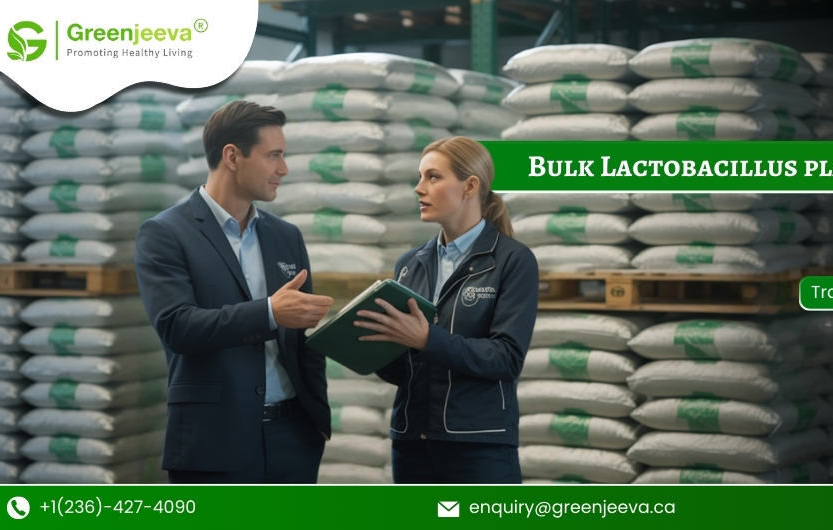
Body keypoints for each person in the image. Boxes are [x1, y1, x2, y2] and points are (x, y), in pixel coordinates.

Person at [134, 100, 334, 483]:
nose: (284, 168)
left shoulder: (286, 236)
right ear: (232, 156)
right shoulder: (165, 233)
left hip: (293, 439)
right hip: (213, 443)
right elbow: (177, 327)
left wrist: (317, 419)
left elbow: (303, 340)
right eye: (273, 155)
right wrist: (270, 312)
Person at [354, 136, 538, 484]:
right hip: (411, 446)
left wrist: (426, 339)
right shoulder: (410, 264)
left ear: (470, 186)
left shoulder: (512, 260)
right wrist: (372, 344)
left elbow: (507, 357)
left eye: (432, 177)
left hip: (478, 449)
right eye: (420, 177)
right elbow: (405, 368)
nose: (418, 188)